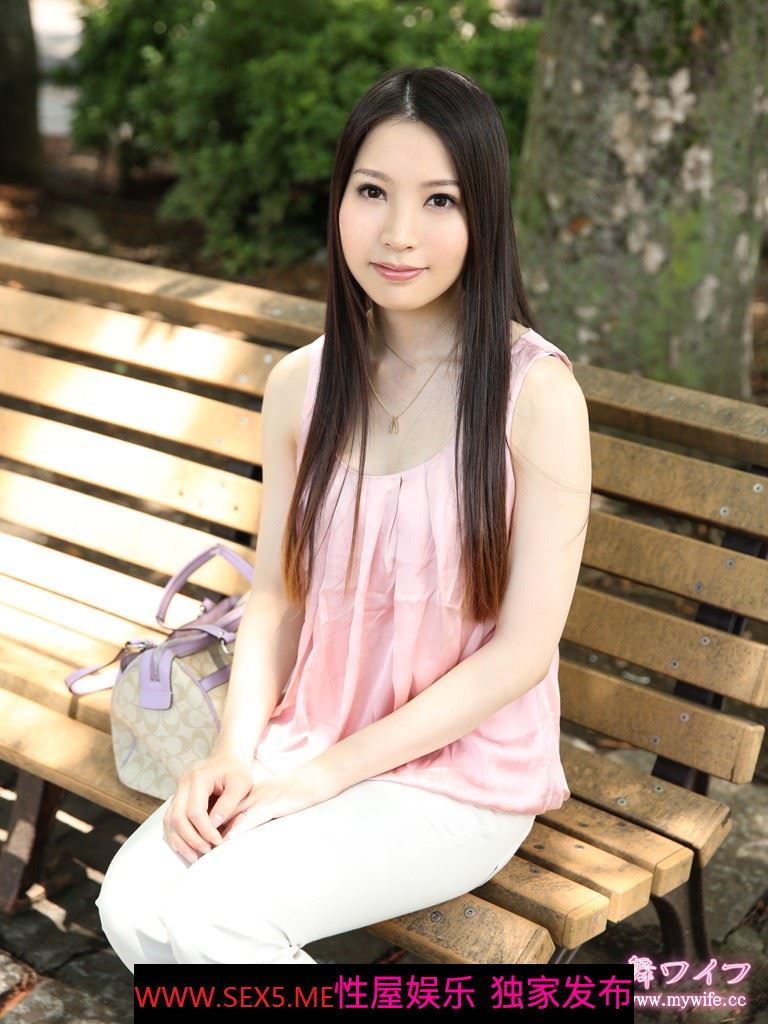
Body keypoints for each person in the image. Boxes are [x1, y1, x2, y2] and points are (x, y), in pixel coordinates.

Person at [95, 64, 592, 967]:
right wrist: (234, 754)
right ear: (339, 201)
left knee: (216, 923)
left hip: (460, 775)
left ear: (483, 214)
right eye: (372, 192)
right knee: (133, 910)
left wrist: (321, 778)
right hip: (304, 739)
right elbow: (278, 597)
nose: (399, 233)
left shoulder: (535, 395)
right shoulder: (303, 385)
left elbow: (522, 653)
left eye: (439, 200)